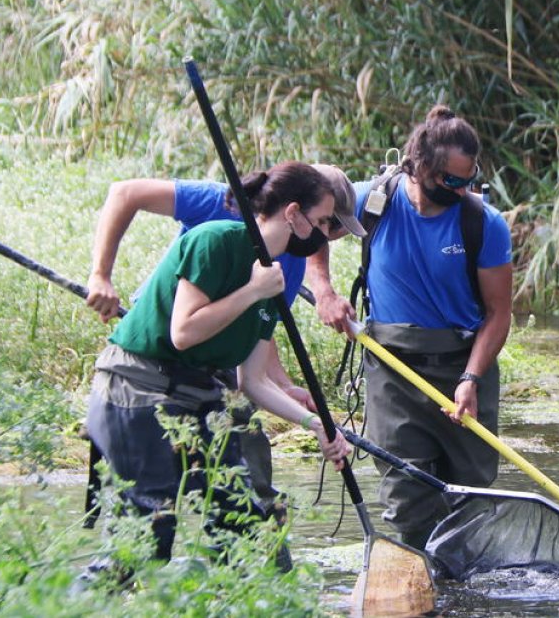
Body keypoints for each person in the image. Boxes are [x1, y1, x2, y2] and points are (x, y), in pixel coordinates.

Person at [84, 161, 351, 573]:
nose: (322, 236)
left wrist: (316, 425)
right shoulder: (217, 240)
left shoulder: (279, 277)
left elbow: (253, 381)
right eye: (321, 222)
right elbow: (184, 332)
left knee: (243, 522)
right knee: (148, 530)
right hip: (135, 389)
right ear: (294, 214)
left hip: (200, 393)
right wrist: (252, 291)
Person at [311, 105, 513, 550]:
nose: (463, 189)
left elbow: (499, 313)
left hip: (463, 369)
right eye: (453, 181)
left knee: (471, 501)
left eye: (470, 178)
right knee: (407, 499)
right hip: (393, 371)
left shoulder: (483, 223)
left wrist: (471, 379)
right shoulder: (373, 201)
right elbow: (312, 228)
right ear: (419, 167)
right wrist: (324, 292)